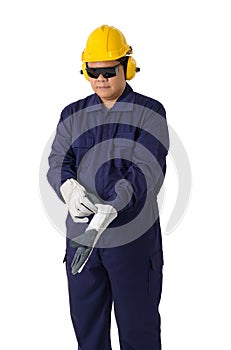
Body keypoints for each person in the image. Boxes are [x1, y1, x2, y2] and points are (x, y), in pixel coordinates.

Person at [47, 24, 169, 350]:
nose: (100, 79)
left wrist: (117, 203)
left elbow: (149, 167)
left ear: (127, 67)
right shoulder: (72, 114)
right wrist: (69, 189)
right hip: (83, 241)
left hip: (131, 240)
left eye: (109, 71)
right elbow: (59, 161)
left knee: (138, 331)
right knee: (88, 334)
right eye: (93, 71)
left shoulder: (149, 112)